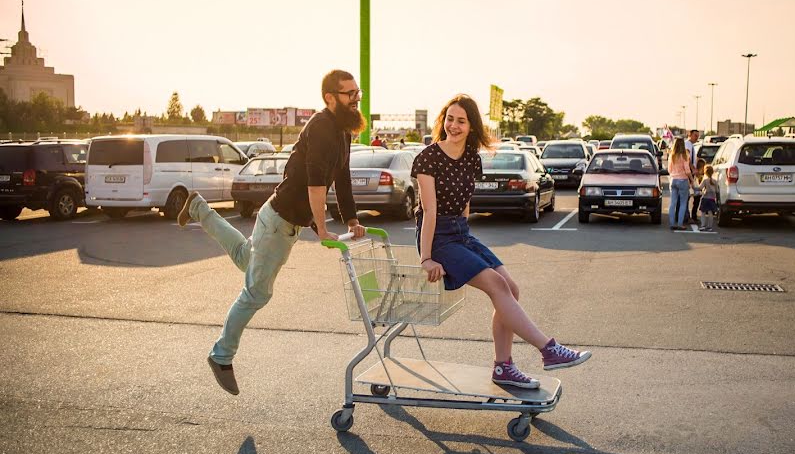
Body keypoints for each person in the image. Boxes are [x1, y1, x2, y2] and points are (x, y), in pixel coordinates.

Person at [177, 69, 368, 395]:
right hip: (279, 222)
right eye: (349, 94)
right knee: (256, 293)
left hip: (281, 222)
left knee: (244, 258)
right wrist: (322, 228)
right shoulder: (322, 128)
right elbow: (316, 183)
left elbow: (343, 177)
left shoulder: (343, 132)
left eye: (357, 93)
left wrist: (351, 219)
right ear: (330, 98)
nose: (356, 98)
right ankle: (221, 356)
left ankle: (197, 208)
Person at [412, 94, 591, 390]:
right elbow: (429, 211)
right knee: (496, 285)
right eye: (450, 119)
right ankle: (549, 349)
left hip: (460, 232)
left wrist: (465, 233)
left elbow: (464, 205)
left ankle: (503, 367)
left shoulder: (471, 157)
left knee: (512, 288)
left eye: (461, 121)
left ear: (471, 126)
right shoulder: (428, 157)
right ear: (442, 120)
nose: (453, 126)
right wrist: (427, 258)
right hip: (438, 237)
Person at [667, 137, 694, 231]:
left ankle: (671, 223)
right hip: (682, 180)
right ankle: (679, 224)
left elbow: (669, 170)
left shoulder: (671, 155)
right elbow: (687, 170)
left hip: (673, 180)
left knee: (672, 203)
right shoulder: (685, 155)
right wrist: (692, 180)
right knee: (683, 203)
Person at [698, 165, 718, 232]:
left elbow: (700, 188)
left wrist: (693, 186)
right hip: (712, 198)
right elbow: (717, 190)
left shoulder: (705, 180)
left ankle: (703, 226)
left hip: (705, 198)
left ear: (705, 172)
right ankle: (710, 227)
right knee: (710, 213)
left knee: (703, 212)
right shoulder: (715, 181)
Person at [690, 158, 707, 223]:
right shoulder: (696, 174)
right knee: (695, 204)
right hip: (695, 191)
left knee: (695, 204)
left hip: (696, 192)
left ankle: (693, 216)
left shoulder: (699, 175)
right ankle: (693, 217)